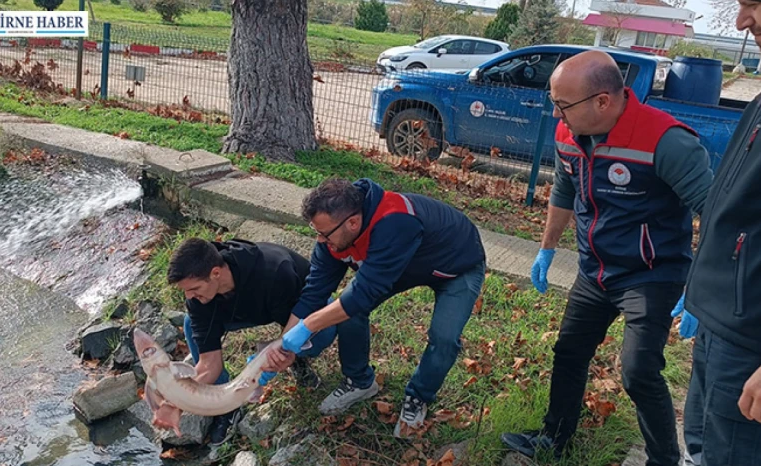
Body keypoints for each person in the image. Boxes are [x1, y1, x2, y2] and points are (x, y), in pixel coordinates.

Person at [500, 50, 713, 465]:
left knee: (638, 371)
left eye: (564, 105)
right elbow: (564, 190)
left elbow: (715, 214)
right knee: (569, 353)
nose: (558, 116)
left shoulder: (667, 142)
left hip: (652, 276)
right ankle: (554, 437)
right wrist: (547, 248)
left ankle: (664, 458)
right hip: (595, 271)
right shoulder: (569, 134)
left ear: (603, 101)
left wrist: (701, 285)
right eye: (554, 103)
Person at [263, 177, 486, 438]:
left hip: (456, 267)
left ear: (353, 223)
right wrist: (283, 345)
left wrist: (307, 327)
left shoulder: (395, 221)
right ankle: (359, 382)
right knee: (349, 310)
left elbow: (361, 294)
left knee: (444, 336)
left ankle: (418, 397)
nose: (320, 241)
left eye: (324, 234)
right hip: (400, 265)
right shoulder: (334, 237)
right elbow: (314, 293)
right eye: (317, 232)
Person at [669, 2, 761, 464]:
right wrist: (700, 288)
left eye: (755, 4)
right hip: (719, 322)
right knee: (701, 446)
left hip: (750, 343)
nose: (744, 22)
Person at [166, 238, 336, 446]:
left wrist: (283, 349)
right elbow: (209, 364)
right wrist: (178, 401)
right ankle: (227, 405)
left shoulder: (274, 270)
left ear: (216, 273)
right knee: (190, 323)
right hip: (240, 310)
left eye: (194, 288)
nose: (189, 296)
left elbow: (304, 317)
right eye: (185, 290)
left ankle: (298, 360)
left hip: (293, 302)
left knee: (326, 331)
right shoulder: (197, 299)